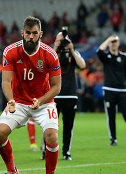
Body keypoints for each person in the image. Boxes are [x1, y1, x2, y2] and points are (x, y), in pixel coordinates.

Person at [0, 16, 61, 174]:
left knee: (51, 136)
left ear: (41, 34)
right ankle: (12, 170)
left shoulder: (50, 54)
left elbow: (57, 86)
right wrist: (10, 100)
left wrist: (41, 100)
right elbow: (6, 82)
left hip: (44, 102)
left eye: (35, 33)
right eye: (28, 33)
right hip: (18, 102)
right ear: (22, 33)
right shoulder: (10, 51)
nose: (31, 36)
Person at [41, 31, 86, 161]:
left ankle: (66, 152)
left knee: (68, 126)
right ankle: (45, 151)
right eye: (59, 40)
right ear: (55, 41)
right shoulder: (51, 53)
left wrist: (71, 49)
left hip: (70, 94)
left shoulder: (73, 53)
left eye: (64, 40)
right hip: (53, 94)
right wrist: (56, 48)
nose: (62, 42)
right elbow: (44, 65)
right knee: (49, 125)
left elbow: (83, 66)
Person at [97, 34, 126, 147]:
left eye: (115, 41)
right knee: (111, 116)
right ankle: (113, 139)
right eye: (112, 41)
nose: (113, 43)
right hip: (109, 89)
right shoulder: (106, 56)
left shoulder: (124, 57)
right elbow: (99, 51)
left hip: (122, 90)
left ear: (119, 43)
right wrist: (108, 39)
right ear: (109, 43)